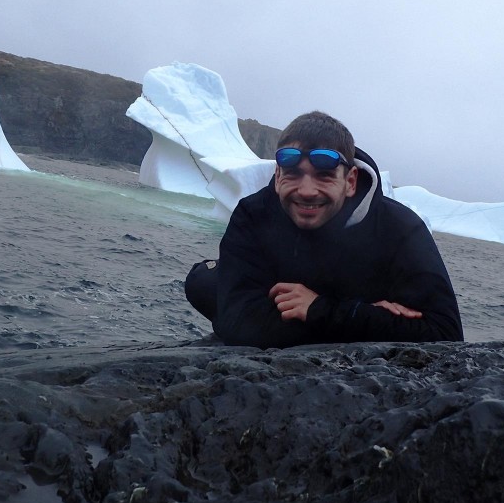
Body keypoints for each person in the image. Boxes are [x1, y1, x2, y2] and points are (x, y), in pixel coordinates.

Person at [185, 110, 463, 348]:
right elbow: (238, 324)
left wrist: (320, 310)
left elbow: (446, 335)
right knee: (202, 283)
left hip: (302, 301)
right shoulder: (253, 214)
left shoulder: (399, 228)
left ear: (351, 181)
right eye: (293, 173)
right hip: (296, 296)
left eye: (325, 175)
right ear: (278, 175)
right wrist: (367, 317)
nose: (307, 191)